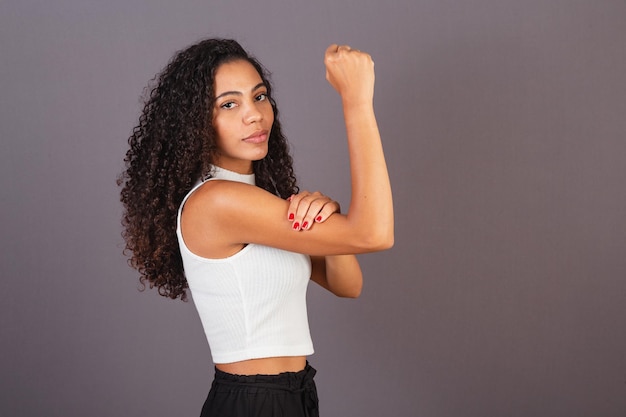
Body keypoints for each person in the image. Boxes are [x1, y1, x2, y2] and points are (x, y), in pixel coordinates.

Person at [118, 38, 393, 417]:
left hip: (294, 393)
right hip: (256, 402)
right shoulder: (216, 202)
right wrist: (357, 101)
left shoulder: (258, 199)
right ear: (196, 122)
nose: (254, 115)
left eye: (259, 97)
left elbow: (348, 285)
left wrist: (330, 221)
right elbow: (374, 234)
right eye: (229, 104)